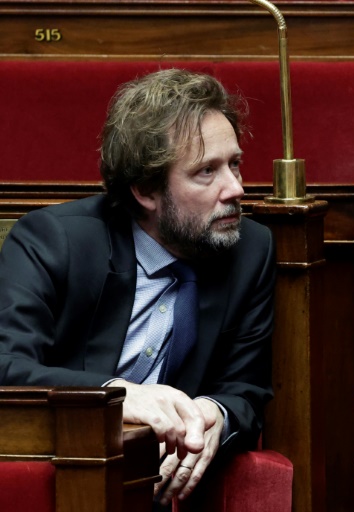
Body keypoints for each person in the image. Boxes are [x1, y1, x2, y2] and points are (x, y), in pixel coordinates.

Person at [0, 69, 275, 507]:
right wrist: (117, 396)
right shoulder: (55, 241)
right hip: (62, 477)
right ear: (146, 190)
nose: (236, 189)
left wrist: (214, 413)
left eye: (235, 163)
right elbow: (6, 367)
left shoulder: (250, 250)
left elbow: (249, 391)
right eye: (207, 171)